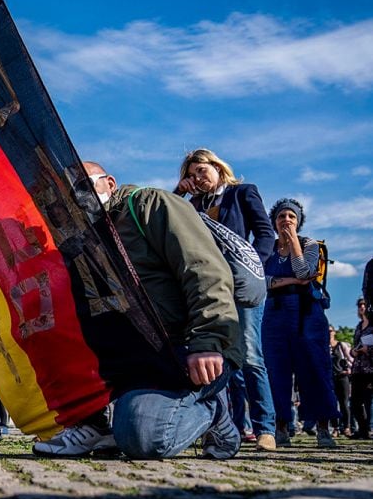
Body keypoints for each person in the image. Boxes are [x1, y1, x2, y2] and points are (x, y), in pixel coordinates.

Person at [33, 162, 242, 459]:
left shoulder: (150, 205)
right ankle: (99, 428)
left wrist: (207, 341)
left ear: (110, 183)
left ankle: (215, 411)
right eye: (68, 194)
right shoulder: (82, 239)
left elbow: (204, 270)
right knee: (127, 428)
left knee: (142, 438)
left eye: (83, 185)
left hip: (182, 352)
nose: (77, 198)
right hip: (134, 360)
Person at [175, 149, 277, 452]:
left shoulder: (241, 193)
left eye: (201, 171)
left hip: (243, 284)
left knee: (249, 355)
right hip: (211, 287)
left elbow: (265, 233)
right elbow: (167, 221)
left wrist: (253, 267)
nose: (197, 178)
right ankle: (225, 427)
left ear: (218, 168)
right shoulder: (192, 205)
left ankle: (265, 429)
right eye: (191, 175)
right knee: (218, 356)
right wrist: (179, 193)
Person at [262, 198, 340, 448]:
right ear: (274, 222)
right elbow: (262, 280)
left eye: (291, 217)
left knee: (315, 368)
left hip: (307, 313)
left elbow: (306, 272)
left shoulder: (310, 245)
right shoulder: (268, 248)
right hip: (275, 314)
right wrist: (292, 281)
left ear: (298, 221)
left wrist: (294, 242)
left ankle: (323, 427)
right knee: (276, 370)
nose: (286, 220)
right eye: (281, 216)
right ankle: (281, 426)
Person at [350, 296, 372, 439]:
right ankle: (363, 429)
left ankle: (370, 429)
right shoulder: (358, 326)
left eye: (364, 305)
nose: (361, 307)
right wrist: (354, 351)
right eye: (360, 305)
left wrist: (368, 349)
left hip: (370, 368)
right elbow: (356, 344)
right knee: (356, 402)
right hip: (358, 368)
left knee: (370, 401)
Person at [329, 325, 353, 436]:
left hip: (342, 377)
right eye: (327, 331)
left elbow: (350, 358)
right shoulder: (324, 346)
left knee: (344, 403)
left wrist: (349, 369)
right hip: (330, 378)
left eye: (330, 331)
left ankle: (347, 427)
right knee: (332, 404)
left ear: (334, 332)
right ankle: (335, 428)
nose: (329, 333)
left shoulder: (341, 345)